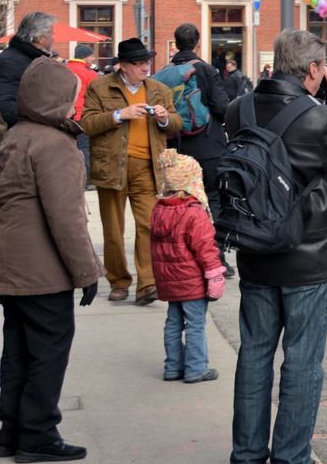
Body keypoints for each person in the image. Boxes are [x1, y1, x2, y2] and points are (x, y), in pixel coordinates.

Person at [227, 28, 327, 464]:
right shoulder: (316, 119)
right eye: (323, 69)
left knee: (253, 354)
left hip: (255, 249)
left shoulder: (239, 109)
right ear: (314, 70)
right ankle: (291, 463)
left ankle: (247, 462)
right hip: (308, 256)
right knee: (302, 361)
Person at [0, 57, 103, 463]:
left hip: (11, 265)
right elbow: (66, 218)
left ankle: (12, 432)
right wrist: (87, 272)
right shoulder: (54, 143)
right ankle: (38, 433)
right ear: (60, 98)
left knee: (17, 351)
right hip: (40, 270)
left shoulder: (17, 133)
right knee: (48, 351)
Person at [80, 38, 182, 305]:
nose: (144, 68)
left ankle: (147, 283)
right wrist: (119, 114)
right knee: (113, 230)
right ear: (122, 65)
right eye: (137, 63)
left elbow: (176, 122)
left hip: (148, 167)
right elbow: (87, 124)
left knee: (149, 225)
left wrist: (163, 118)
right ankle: (119, 281)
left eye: (146, 62)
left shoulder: (158, 88)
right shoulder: (100, 86)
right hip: (112, 166)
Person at [150, 152, 224, 384]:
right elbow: (206, 249)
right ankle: (196, 369)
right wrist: (214, 276)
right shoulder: (194, 212)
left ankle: (173, 366)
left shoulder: (159, 209)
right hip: (191, 281)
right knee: (195, 324)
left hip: (169, 280)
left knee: (173, 322)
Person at [162, 24, 232, 200]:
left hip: (175, 146)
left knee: (181, 199)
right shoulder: (207, 70)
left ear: (176, 44)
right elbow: (221, 106)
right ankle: (208, 228)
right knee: (212, 197)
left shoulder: (164, 73)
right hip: (207, 146)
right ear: (198, 43)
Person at [0, 11, 58, 133]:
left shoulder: (32, 58)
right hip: (20, 140)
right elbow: (5, 106)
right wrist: (41, 122)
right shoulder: (11, 61)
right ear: (40, 37)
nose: (54, 38)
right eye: (52, 34)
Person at [65, 45, 100, 183]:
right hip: (82, 115)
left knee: (68, 147)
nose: (94, 58)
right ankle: (85, 180)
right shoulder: (89, 73)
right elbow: (97, 95)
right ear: (85, 56)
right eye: (92, 56)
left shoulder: (64, 68)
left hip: (65, 115)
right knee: (84, 147)